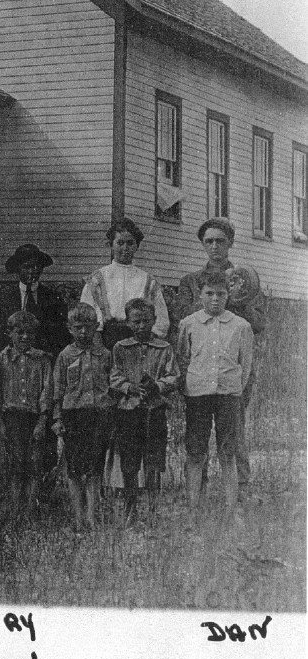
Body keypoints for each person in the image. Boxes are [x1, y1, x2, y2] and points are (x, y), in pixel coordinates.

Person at [174, 217, 265, 492]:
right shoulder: (191, 281)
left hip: (231, 366)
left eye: (220, 241)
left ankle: (239, 490)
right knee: (197, 433)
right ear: (202, 244)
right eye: (209, 241)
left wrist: (240, 299)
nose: (214, 246)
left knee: (234, 429)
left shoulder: (245, 278)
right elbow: (181, 316)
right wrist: (212, 299)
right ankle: (197, 490)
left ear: (230, 243)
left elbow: (259, 323)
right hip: (201, 368)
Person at [177, 270, 254, 512]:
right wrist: (191, 385)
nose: (215, 299)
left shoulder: (241, 326)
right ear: (200, 294)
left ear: (228, 295)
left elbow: (246, 364)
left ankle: (230, 507)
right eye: (209, 293)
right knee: (196, 450)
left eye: (221, 294)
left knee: (228, 450)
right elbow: (182, 358)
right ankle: (194, 506)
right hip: (197, 395)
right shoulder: (188, 324)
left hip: (228, 395)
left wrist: (234, 388)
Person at [110, 299, 180, 519]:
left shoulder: (164, 348)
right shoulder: (120, 348)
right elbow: (114, 376)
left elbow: (173, 376)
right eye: (136, 321)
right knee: (130, 462)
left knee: (154, 461)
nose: (141, 326)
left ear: (154, 320)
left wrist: (157, 386)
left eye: (146, 321)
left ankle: (152, 509)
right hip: (128, 411)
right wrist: (129, 387)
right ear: (128, 322)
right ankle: (130, 508)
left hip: (154, 410)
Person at [52, 303, 114, 532]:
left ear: (96, 326)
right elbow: (57, 390)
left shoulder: (105, 355)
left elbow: (113, 386)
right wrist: (57, 418)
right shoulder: (65, 356)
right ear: (70, 328)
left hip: (99, 414)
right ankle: (78, 518)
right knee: (75, 469)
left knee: (95, 467)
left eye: (88, 327)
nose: (83, 332)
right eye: (78, 327)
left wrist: (112, 416)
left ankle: (92, 517)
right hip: (74, 415)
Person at [0, 310, 53, 521]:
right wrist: (0, 422)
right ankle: (14, 510)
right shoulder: (2, 359)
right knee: (15, 465)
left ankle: (30, 510)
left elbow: (47, 391)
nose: (25, 337)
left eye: (30, 333)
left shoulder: (42, 360)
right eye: (20, 332)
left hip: (34, 419)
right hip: (11, 419)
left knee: (35, 464)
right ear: (10, 333)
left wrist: (42, 421)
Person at [80, 218, 170, 351]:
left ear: (137, 246)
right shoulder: (97, 279)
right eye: (120, 243)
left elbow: (161, 319)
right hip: (105, 341)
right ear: (111, 245)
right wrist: (99, 348)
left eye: (130, 243)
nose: (125, 248)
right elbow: (87, 315)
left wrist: (147, 343)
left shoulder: (148, 281)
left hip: (140, 342)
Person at [0, 244, 69, 358]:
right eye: (26, 267)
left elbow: (61, 334)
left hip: (43, 357)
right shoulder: (4, 299)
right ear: (18, 268)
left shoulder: (53, 298)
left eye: (36, 267)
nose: (31, 271)